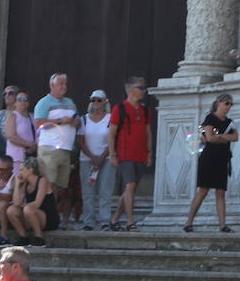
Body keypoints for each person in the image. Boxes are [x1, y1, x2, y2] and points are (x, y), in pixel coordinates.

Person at [185, 93, 240, 233]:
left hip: (222, 158)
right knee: (203, 191)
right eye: (226, 103)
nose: (228, 107)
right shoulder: (210, 118)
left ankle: (222, 225)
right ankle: (189, 222)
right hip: (209, 158)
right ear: (219, 103)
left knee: (221, 192)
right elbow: (209, 138)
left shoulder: (229, 122)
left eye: (230, 104)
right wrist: (224, 138)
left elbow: (235, 137)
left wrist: (221, 136)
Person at [107, 76, 153, 231]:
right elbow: (112, 133)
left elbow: (148, 133)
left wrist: (149, 152)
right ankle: (130, 221)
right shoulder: (119, 109)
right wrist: (112, 154)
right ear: (131, 89)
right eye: (141, 88)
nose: (144, 91)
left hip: (140, 155)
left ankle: (114, 220)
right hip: (125, 155)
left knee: (129, 189)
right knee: (131, 186)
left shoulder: (144, 110)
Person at [32, 73, 77, 201]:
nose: (64, 87)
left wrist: (74, 122)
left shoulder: (70, 102)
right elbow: (38, 123)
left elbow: (76, 120)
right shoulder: (44, 102)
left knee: (59, 186)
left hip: (65, 149)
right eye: (61, 84)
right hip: (49, 149)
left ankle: (53, 215)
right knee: (48, 184)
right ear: (52, 85)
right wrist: (60, 121)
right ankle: (45, 215)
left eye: (66, 84)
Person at [77, 90, 113, 231]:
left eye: (98, 100)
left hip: (107, 158)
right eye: (93, 100)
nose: (95, 103)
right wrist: (93, 158)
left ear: (105, 101)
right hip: (87, 159)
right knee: (88, 192)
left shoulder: (110, 118)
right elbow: (81, 141)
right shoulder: (83, 119)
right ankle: (88, 221)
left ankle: (105, 220)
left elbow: (113, 140)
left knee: (105, 191)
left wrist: (101, 157)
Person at [3, 157, 59, 246]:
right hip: (32, 215)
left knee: (28, 209)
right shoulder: (24, 183)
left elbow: (37, 203)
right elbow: (16, 203)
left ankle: (39, 237)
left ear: (30, 170)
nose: (19, 173)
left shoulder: (42, 180)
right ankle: (23, 236)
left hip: (48, 218)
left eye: (22, 170)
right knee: (11, 210)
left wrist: (23, 206)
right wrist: (17, 185)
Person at [0, 86, 21, 167]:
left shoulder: (20, 115)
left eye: (10, 93)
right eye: (5, 94)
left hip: (12, 152)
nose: (7, 95)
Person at [6, 91, 36, 172]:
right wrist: (29, 145)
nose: (23, 101)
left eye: (25, 99)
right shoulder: (12, 116)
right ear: (15, 103)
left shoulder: (33, 117)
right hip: (16, 159)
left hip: (31, 159)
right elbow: (11, 137)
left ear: (28, 102)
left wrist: (35, 146)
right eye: (19, 99)